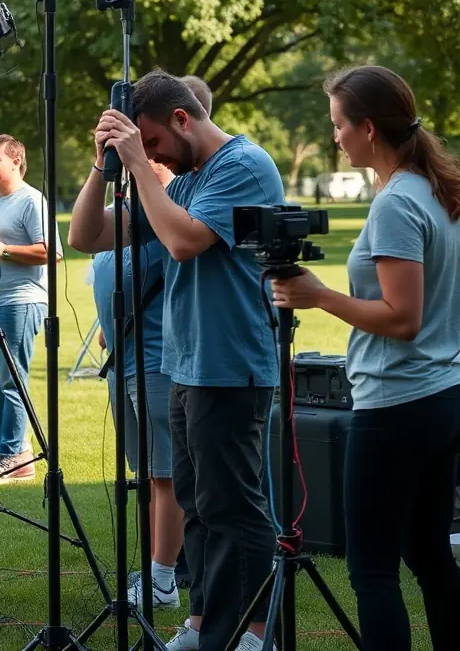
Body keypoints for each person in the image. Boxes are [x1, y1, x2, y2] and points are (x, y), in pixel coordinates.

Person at [69, 70, 283, 651]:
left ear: (182, 120)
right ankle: (200, 621)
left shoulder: (243, 165)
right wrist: (103, 165)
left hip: (231, 364)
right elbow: (87, 236)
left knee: (234, 508)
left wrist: (141, 166)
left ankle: (251, 633)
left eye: (155, 142)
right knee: (197, 506)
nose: (154, 154)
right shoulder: (187, 181)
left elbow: (185, 241)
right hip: (188, 365)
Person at [272, 66, 460, 651]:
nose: (334, 137)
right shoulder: (437, 188)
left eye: (338, 126)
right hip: (441, 396)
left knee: (372, 571)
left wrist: (319, 296)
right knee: (429, 555)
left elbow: (403, 320)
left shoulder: (398, 203)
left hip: (398, 404)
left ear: (369, 129)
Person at [92, 156, 185, 610]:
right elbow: (83, 235)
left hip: (156, 363)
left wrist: (157, 182)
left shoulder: (164, 218)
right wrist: (101, 165)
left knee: (165, 474)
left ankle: (164, 579)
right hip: (123, 362)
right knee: (147, 474)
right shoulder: (122, 215)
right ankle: (155, 566)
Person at [0, 134, 61, 485]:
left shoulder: (32, 200)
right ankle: (15, 452)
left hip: (21, 302)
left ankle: (10, 458)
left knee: (10, 380)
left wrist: (4, 250)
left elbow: (52, 251)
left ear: (17, 161)